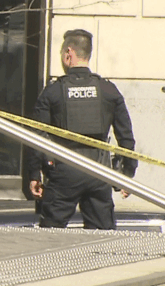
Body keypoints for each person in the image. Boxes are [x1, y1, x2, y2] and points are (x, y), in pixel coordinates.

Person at [27, 29, 137, 230]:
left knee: (50, 237)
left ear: (69, 53)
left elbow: (38, 135)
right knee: (103, 240)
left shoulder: (53, 91)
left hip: (64, 171)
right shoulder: (107, 90)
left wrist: (35, 174)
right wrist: (126, 173)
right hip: (98, 171)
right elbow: (126, 137)